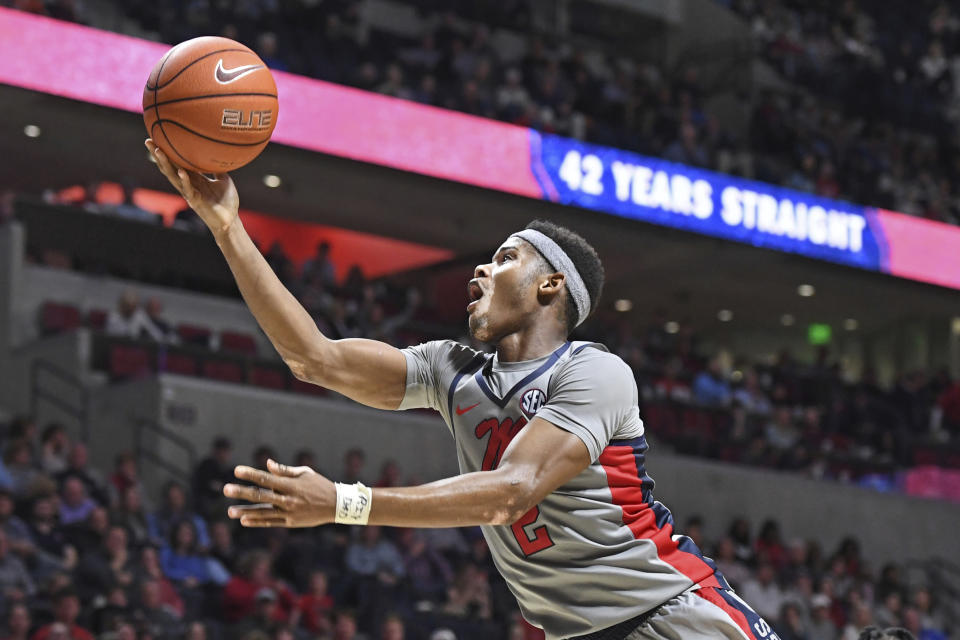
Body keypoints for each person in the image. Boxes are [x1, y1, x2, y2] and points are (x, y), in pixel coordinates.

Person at [146, 139, 773, 640]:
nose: (480, 268)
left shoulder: (594, 371)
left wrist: (345, 501)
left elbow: (512, 490)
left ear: (551, 286)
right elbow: (315, 359)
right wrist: (225, 225)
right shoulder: (451, 372)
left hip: (673, 616)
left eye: (505, 258)